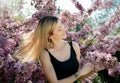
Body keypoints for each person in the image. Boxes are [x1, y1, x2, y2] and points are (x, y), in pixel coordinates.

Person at [14, 16, 94, 83]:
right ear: (49, 35)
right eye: (59, 29)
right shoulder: (45, 54)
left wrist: (95, 69)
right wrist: (79, 74)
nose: (64, 29)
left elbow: (78, 75)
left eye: (62, 26)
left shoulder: (74, 46)